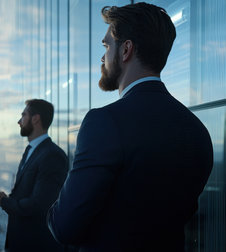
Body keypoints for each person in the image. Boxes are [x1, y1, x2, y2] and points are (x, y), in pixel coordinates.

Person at [47, 3, 213, 252]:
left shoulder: (104, 122)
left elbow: (64, 226)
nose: (102, 57)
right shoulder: (197, 130)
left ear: (126, 50)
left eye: (106, 45)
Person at [0, 99, 68, 252]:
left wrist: (3, 202)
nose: (19, 121)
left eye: (23, 115)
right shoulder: (31, 151)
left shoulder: (52, 155)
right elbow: (26, 195)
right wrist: (3, 198)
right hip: (21, 242)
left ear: (35, 118)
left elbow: (39, 205)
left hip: (36, 245)